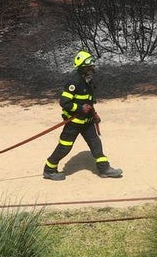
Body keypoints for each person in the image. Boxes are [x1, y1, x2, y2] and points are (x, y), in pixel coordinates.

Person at [42, 50, 123, 180]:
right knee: (65, 147)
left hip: (87, 121)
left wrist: (94, 114)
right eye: (89, 67)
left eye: (92, 66)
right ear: (82, 68)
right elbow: (64, 102)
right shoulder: (74, 82)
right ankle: (49, 169)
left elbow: (88, 102)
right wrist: (79, 108)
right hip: (73, 123)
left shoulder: (88, 81)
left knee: (95, 143)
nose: (92, 69)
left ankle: (104, 169)